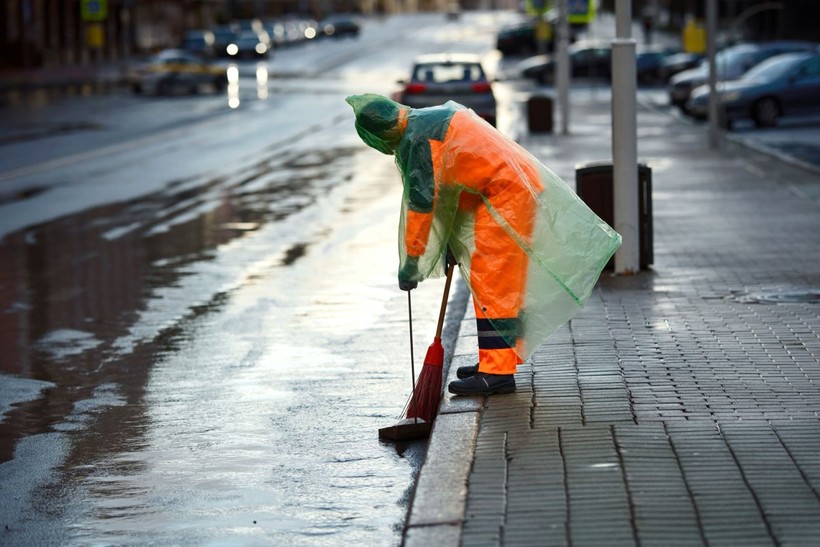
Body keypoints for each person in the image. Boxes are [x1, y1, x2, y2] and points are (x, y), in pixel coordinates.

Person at [346, 94, 621, 396]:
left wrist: (412, 263)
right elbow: (453, 185)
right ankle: (493, 360)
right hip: (506, 191)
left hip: (504, 197)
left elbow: (422, 210)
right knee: (490, 283)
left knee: (494, 285)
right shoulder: (429, 119)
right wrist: (448, 242)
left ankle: (496, 374)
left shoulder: (417, 140)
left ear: (381, 136)